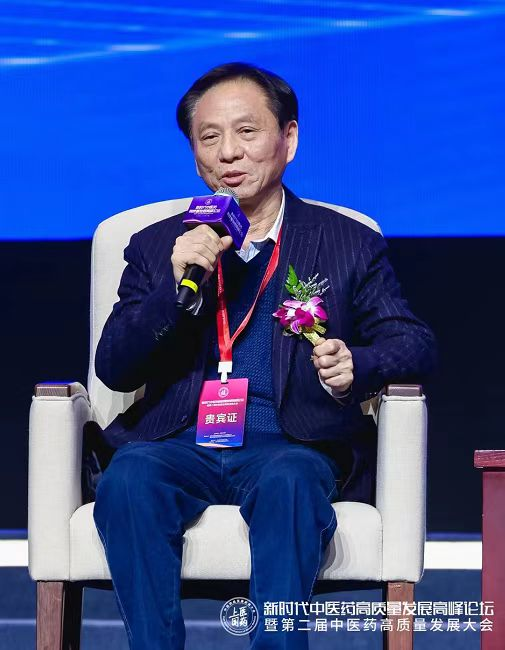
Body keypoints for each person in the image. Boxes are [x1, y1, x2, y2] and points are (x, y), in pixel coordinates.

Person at [93, 62, 436, 650]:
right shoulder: (157, 245)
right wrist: (173, 287)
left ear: (288, 139)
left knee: (289, 481)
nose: (229, 152)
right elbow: (115, 367)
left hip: (292, 443)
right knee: (128, 477)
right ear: (195, 154)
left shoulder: (347, 242)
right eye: (209, 137)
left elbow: (415, 343)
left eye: (247, 132)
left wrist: (358, 364)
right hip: (180, 442)